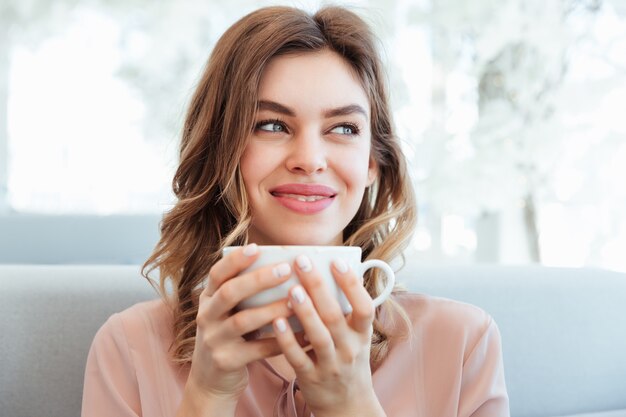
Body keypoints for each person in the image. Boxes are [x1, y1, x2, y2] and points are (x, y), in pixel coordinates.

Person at [81, 5, 509, 417]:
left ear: (373, 162)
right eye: (271, 125)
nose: (310, 159)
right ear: (221, 151)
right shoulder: (129, 348)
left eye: (343, 128)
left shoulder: (463, 345)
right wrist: (208, 395)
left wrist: (351, 405)